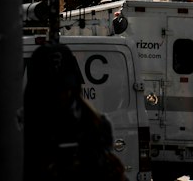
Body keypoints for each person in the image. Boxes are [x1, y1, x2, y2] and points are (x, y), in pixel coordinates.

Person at [22, 41, 126, 181]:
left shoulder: (96, 125)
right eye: (49, 90)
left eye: (64, 89)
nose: (60, 96)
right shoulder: (21, 128)